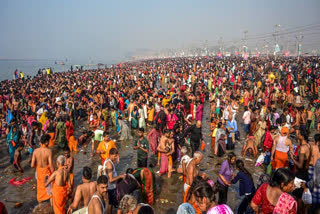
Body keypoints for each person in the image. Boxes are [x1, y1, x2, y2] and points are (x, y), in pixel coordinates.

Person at [31, 134, 54, 203]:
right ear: (46, 142)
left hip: (39, 173)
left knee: (40, 190)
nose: (49, 143)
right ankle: (52, 208)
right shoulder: (48, 151)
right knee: (50, 192)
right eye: (49, 141)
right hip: (47, 172)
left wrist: (38, 166)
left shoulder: (35, 151)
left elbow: (32, 165)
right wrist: (54, 174)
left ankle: (39, 207)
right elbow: (50, 165)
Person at [102, 148, 126, 214]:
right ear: (110, 155)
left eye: (116, 156)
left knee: (110, 204)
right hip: (111, 188)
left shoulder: (107, 160)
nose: (115, 158)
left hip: (109, 187)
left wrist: (118, 157)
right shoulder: (109, 164)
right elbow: (111, 180)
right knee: (115, 205)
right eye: (115, 156)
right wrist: (120, 176)